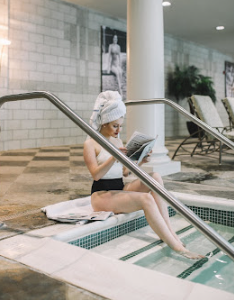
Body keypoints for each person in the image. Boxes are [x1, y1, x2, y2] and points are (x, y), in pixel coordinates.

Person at [83, 91, 204, 259]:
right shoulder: (90, 144)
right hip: (101, 194)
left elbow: (124, 172)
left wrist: (140, 161)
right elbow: (96, 175)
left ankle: (169, 231)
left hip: (119, 187)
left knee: (154, 177)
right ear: (104, 122)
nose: (119, 130)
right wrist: (114, 157)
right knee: (146, 199)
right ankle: (177, 247)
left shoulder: (117, 141)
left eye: (121, 125)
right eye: (115, 126)